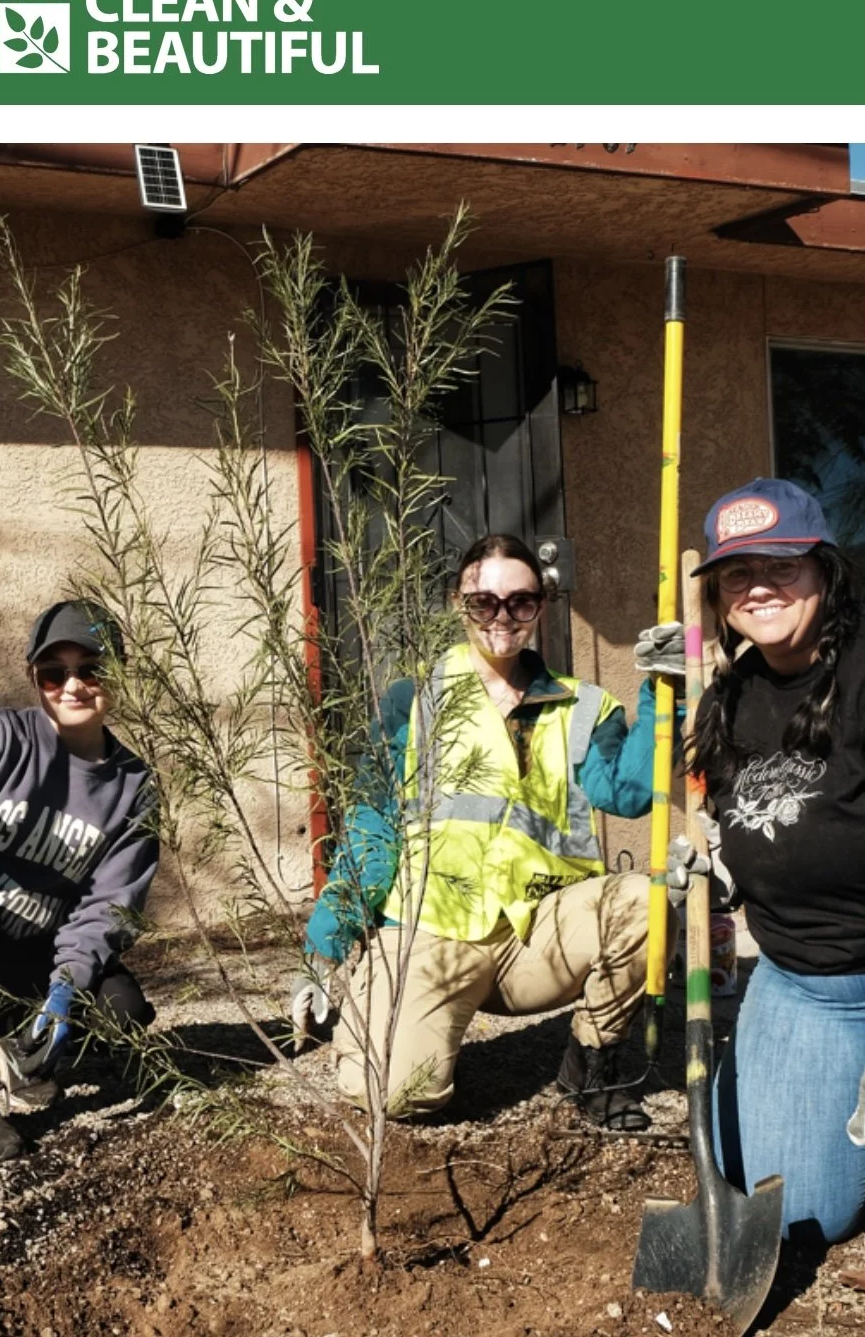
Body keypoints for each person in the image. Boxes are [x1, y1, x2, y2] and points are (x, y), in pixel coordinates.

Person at [292, 534, 682, 1131]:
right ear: (458, 604)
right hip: (430, 932)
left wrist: (663, 692)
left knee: (645, 902)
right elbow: (372, 829)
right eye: (484, 603)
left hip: (535, 935)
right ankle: (412, 1035)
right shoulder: (411, 702)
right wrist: (327, 944)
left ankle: (591, 1067)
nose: (503, 617)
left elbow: (627, 794)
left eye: (521, 602)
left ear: (542, 607)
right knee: (395, 1095)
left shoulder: (584, 707)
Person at [668, 476, 865, 1243]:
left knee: (815, 1213)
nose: (758, 586)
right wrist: (717, 860)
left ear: (824, 572)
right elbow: (725, 811)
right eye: (736, 573)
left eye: (781, 565)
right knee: (768, 1193)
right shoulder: (731, 695)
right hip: (794, 981)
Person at [0, 600, 158, 1167]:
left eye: (90, 668)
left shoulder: (133, 788)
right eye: (54, 672)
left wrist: (67, 985)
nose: (73, 685)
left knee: (122, 1007)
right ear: (35, 680)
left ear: (117, 674)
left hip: (16, 940)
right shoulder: (5, 738)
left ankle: (23, 1048)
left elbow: (109, 907)